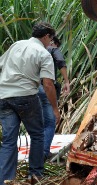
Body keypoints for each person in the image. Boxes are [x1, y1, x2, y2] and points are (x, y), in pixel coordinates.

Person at [0, 22, 61, 184]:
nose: (51, 42)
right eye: (51, 38)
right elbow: (48, 84)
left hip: (4, 96)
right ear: (46, 36)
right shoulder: (43, 53)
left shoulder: (16, 45)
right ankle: (34, 175)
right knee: (37, 134)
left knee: (8, 141)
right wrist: (55, 109)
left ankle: (5, 180)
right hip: (25, 96)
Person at [38, 36, 70, 160]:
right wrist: (67, 81)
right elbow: (60, 61)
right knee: (50, 120)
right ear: (53, 42)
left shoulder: (34, 50)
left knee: (40, 121)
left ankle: (39, 151)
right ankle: (44, 153)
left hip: (30, 88)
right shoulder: (53, 49)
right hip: (45, 87)